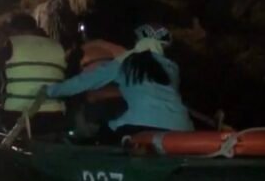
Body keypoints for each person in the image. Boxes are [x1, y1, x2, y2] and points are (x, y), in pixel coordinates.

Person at [44, 23, 193, 144]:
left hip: (139, 124)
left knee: (100, 135)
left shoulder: (124, 62)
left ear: (138, 42)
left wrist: (50, 91)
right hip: (182, 126)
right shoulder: (172, 68)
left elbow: (82, 82)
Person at [0, 13, 67, 135]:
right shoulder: (58, 46)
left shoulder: (10, 45)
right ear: (35, 29)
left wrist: (2, 99)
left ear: (12, 30)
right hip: (55, 116)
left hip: (16, 116)